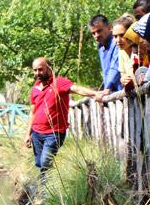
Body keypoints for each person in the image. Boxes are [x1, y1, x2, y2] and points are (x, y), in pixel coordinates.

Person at [24, 57, 105, 186]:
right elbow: (32, 112)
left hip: (54, 133)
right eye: (35, 70)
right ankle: (46, 189)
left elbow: (77, 89)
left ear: (49, 68)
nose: (38, 73)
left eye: (40, 69)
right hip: (36, 133)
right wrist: (28, 134)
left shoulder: (59, 83)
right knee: (39, 163)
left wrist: (95, 94)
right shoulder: (35, 89)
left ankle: (45, 195)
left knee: (46, 162)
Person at [89, 14, 122, 93]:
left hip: (122, 89)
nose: (96, 35)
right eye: (93, 33)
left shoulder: (117, 42)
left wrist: (107, 88)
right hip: (111, 92)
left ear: (110, 27)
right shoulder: (100, 46)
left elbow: (115, 66)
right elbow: (106, 72)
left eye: (99, 31)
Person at [112, 15, 137, 91]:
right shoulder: (121, 52)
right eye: (115, 36)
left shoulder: (139, 51)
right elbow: (123, 75)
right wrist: (123, 80)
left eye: (122, 35)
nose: (118, 40)